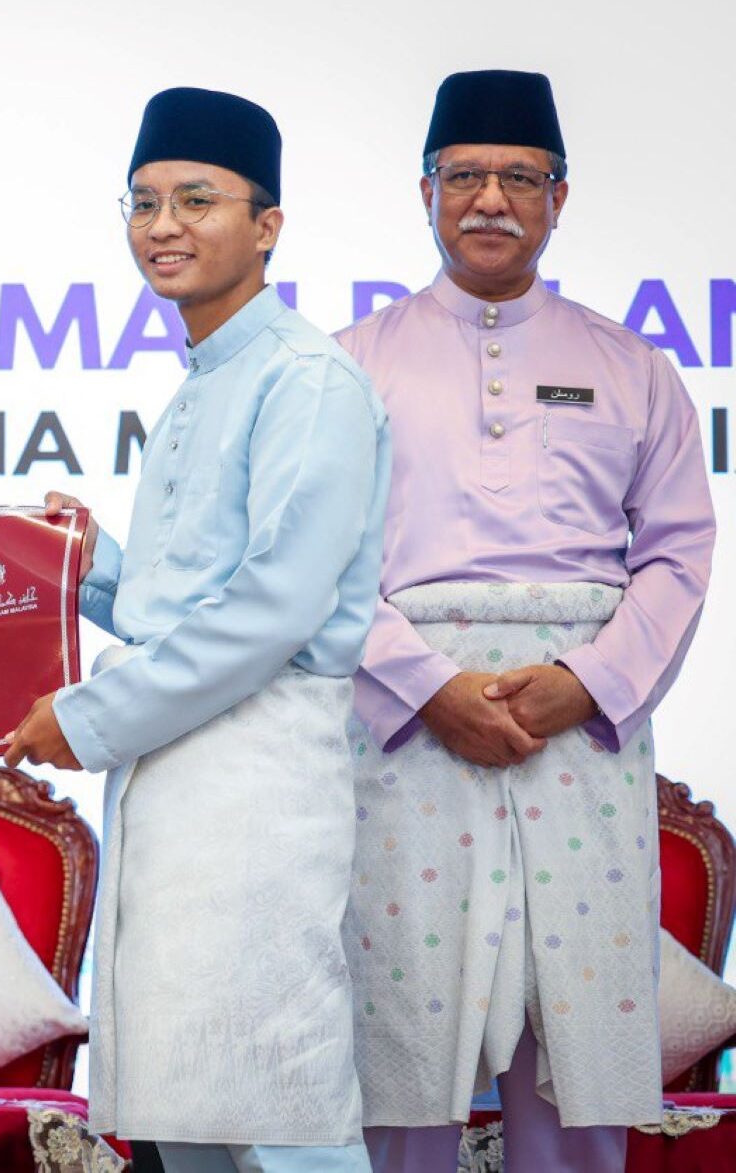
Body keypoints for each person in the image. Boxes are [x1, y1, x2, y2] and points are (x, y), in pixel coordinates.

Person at [4, 87, 389, 1172]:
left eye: (196, 199)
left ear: (267, 225)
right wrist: (83, 565)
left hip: (256, 784)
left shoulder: (306, 379)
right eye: (144, 202)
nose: (163, 225)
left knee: (275, 1108)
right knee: (187, 1110)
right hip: (176, 780)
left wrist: (88, 716)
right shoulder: (200, 384)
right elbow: (181, 608)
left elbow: (273, 610)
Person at [338, 70, 716, 1173]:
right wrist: (428, 688)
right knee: (401, 1056)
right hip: (409, 735)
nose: (491, 199)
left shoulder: (632, 367)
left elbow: (679, 551)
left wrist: (589, 682)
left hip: (576, 737)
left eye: (519, 176)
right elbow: (319, 566)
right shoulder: (347, 368)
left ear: (560, 196)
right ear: (425, 191)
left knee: (574, 1059)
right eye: (465, 176)